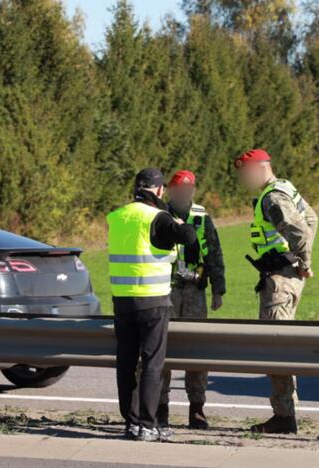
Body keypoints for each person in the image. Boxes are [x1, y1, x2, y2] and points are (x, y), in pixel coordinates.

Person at [107, 168, 198, 442]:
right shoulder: (157, 217)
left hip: (122, 300)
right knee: (152, 364)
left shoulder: (118, 216)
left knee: (125, 362)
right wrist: (180, 222)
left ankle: (132, 423)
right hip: (153, 302)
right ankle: (149, 425)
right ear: (159, 191)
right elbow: (189, 237)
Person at [234, 149, 318, 434]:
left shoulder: (273, 197)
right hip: (285, 277)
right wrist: (300, 265)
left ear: (260, 168)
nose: (243, 178)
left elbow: (300, 232)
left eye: (245, 171)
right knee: (279, 344)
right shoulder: (285, 187)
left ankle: (284, 416)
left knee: (275, 345)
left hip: (279, 280)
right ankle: (285, 413)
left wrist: (302, 263)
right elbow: (313, 219)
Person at [157, 170, 226, 430]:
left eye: (189, 189)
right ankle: (160, 407)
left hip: (195, 291)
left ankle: (197, 409)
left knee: (196, 352)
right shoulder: (160, 215)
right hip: (167, 290)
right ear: (171, 190)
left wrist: (218, 290)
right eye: (179, 189)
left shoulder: (201, 216)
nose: (184, 193)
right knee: (162, 350)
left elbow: (215, 253)